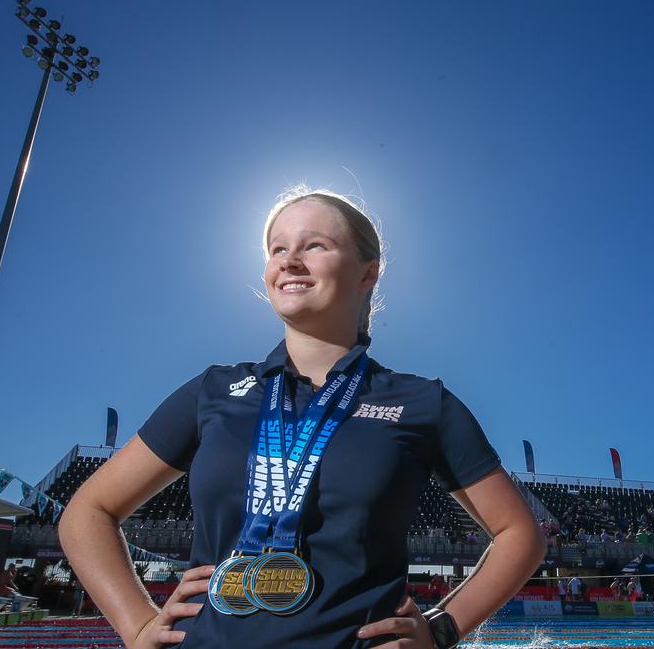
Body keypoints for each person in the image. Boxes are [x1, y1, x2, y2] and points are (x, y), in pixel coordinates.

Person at [60, 187, 545, 649]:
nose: (289, 261)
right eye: (277, 249)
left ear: (367, 273)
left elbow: (519, 534)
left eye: (314, 246)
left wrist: (442, 629)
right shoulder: (215, 390)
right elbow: (88, 511)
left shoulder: (421, 402)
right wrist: (138, 622)